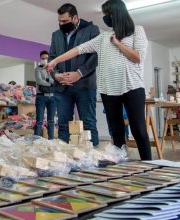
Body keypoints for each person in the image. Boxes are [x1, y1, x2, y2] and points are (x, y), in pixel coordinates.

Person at [47, 0, 152, 160]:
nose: (105, 18)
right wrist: (54, 61)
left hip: (132, 87)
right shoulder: (103, 37)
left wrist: (117, 43)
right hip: (109, 90)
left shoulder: (137, 31)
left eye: (107, 14)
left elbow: (137, 57)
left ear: (116, 14)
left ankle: (149, 166)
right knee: (116, 132)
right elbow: (78, 50)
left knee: (139, 130)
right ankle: (120, 167)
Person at [49, 3, 100, 146]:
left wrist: (79, 73)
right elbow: (52, 58)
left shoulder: (91, 30)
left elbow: (96, 55)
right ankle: (65, 160)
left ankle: (93, 160)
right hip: (62, 87)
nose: (61, 24)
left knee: (88, 123)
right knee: (63, 125)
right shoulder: (56, 35)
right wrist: (56, 75)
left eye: (64, 21)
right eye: (59, 21)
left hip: (84, 86)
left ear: (75, 17)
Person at [34, 50, 56, 139]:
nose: (44, 60)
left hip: (53, 97)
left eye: (46, 58)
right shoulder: (38, 69)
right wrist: (50, 83)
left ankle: (51, 140)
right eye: (43, 58)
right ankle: (36, 141)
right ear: (40, 59)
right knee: (39, 120)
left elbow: (55, 80)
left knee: (51, 121)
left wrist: (46, 80)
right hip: (41, 97)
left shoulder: (53, 69)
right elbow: (39, 81)